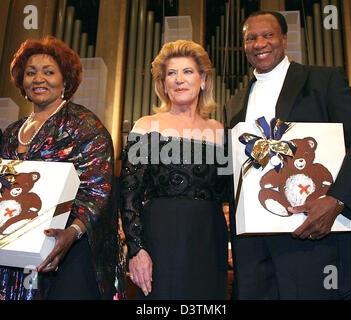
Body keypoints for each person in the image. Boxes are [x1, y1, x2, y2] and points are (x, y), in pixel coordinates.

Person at [224, 11, 351, 299]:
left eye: (268, 35)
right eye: (251, 38)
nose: (260, 43)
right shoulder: (234, 103)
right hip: (253, 249)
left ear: (284, 39)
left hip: (313, 235)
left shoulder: (322, 80)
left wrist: (337, 201)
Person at [0, 36, 120, 299]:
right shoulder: (10, 133)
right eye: (31, 73)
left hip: (71, 244)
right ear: (22, 81)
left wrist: (72, 232)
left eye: (49, 72)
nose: (39, 79)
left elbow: (99, 190)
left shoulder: (85, 124)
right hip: (17, 248)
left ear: (65, 80)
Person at [120, 39, 228, 299]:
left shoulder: (220, 131)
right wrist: (136, 250)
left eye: (187, 71)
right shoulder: (146, 125)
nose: (179, 79)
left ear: (203, 80)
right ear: (163, 84)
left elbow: (227, 194)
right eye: (171, 73)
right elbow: (129, 195)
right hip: (161, 237)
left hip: (209, 238)